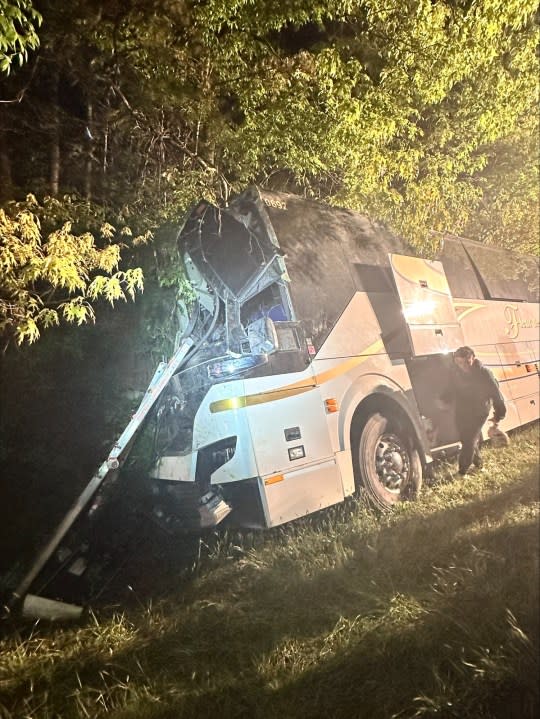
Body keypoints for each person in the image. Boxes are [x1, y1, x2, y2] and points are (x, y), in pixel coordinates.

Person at [441, 346, 506, 476]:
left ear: (473, 358)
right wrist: (443, 400)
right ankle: (479, 465)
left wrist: (498, 416)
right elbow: (451, 389)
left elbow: (496, 395)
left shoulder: (484, 373)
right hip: (462, 410)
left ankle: (462, 472)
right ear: (455, 362)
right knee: (466, 440)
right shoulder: (455, 373)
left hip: (480, 411)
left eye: (467, 362)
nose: (463, 366)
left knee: (470, 440)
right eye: (459, 363)